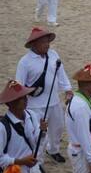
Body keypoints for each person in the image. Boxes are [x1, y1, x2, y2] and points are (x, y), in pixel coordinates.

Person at [15, 27, 71, 164]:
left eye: (48, 42)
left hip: (54, 100)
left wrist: (68, 89)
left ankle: (53, 150)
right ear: (34, 44)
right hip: (35, 105)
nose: (47, 45)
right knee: (40, 134)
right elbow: (19, 85)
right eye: (43, 42)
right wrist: (21, 104)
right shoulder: (25, 62)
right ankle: (37, 161)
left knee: (58, 127)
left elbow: (61, 73)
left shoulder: (53, 54)